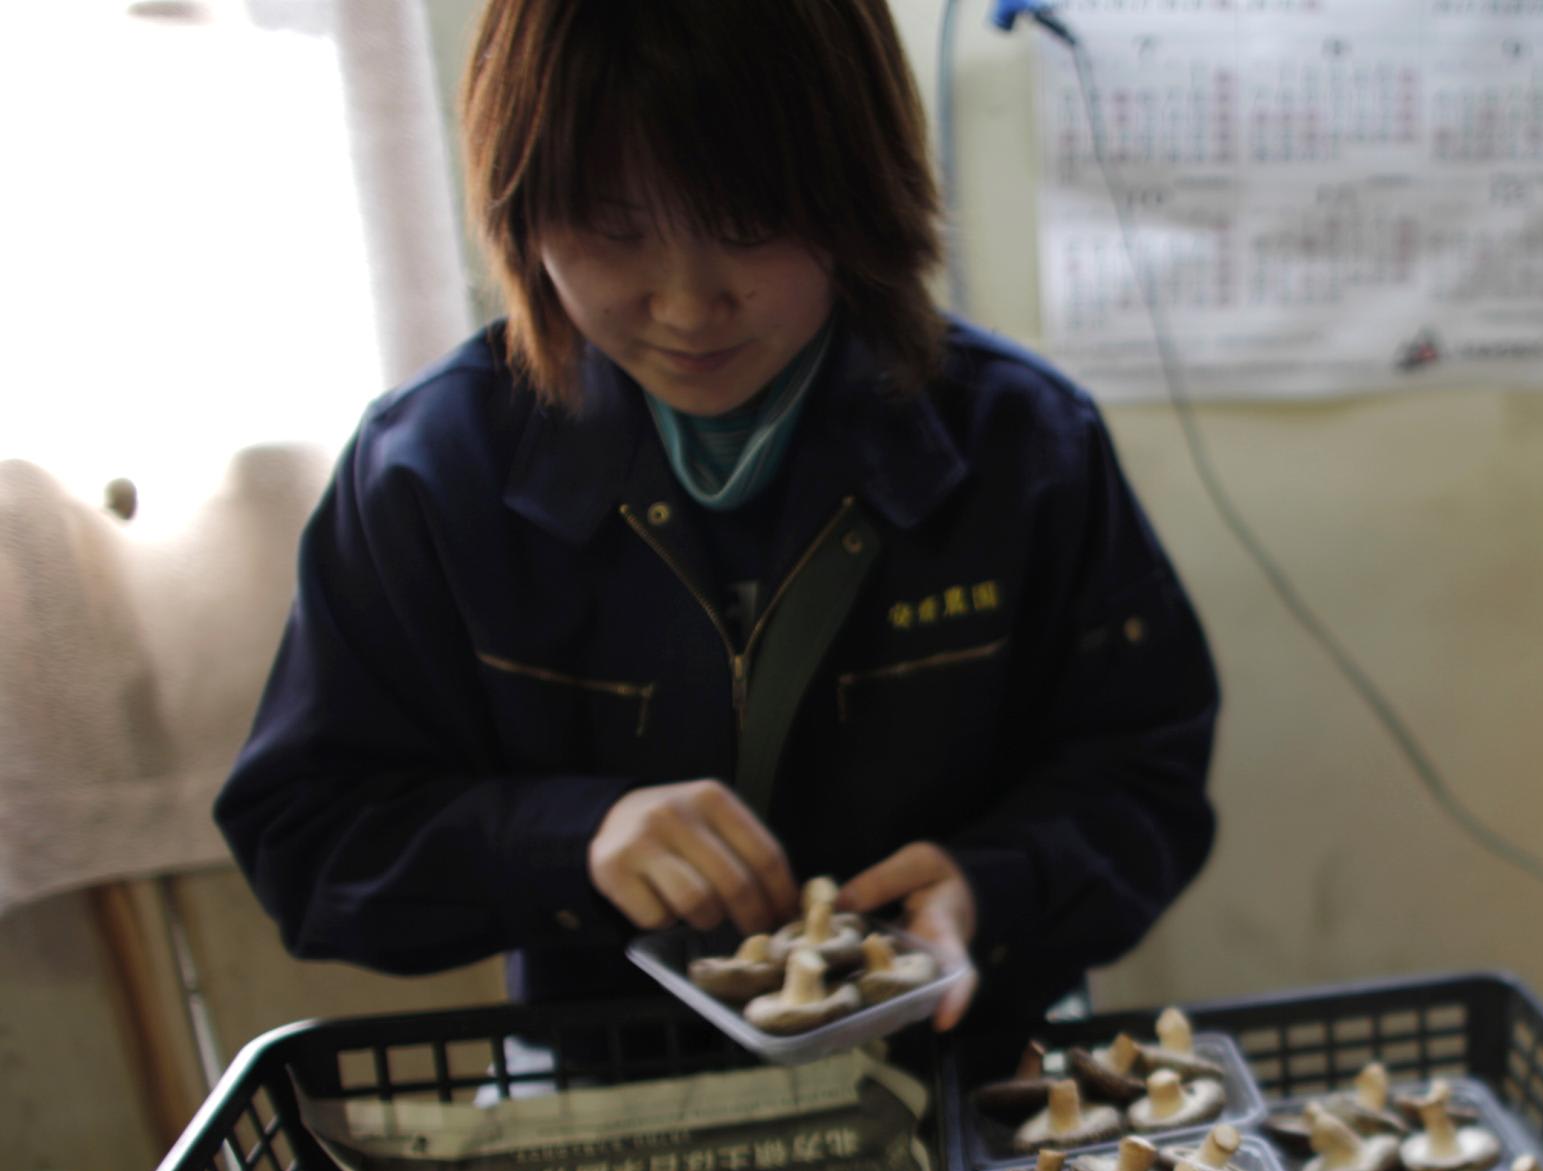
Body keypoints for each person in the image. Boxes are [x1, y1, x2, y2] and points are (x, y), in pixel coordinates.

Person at [216, 0, 1219, 1067]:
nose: (690, 305)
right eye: (612, 228)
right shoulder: (430, 470)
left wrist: (995, 882)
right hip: (615, 1088)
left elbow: (1144, 779)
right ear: (522, 206)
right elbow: (308, 838)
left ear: (859, 195)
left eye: (752, 224)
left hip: (970, 1071)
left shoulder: (1025, 444)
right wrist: (573, 840)